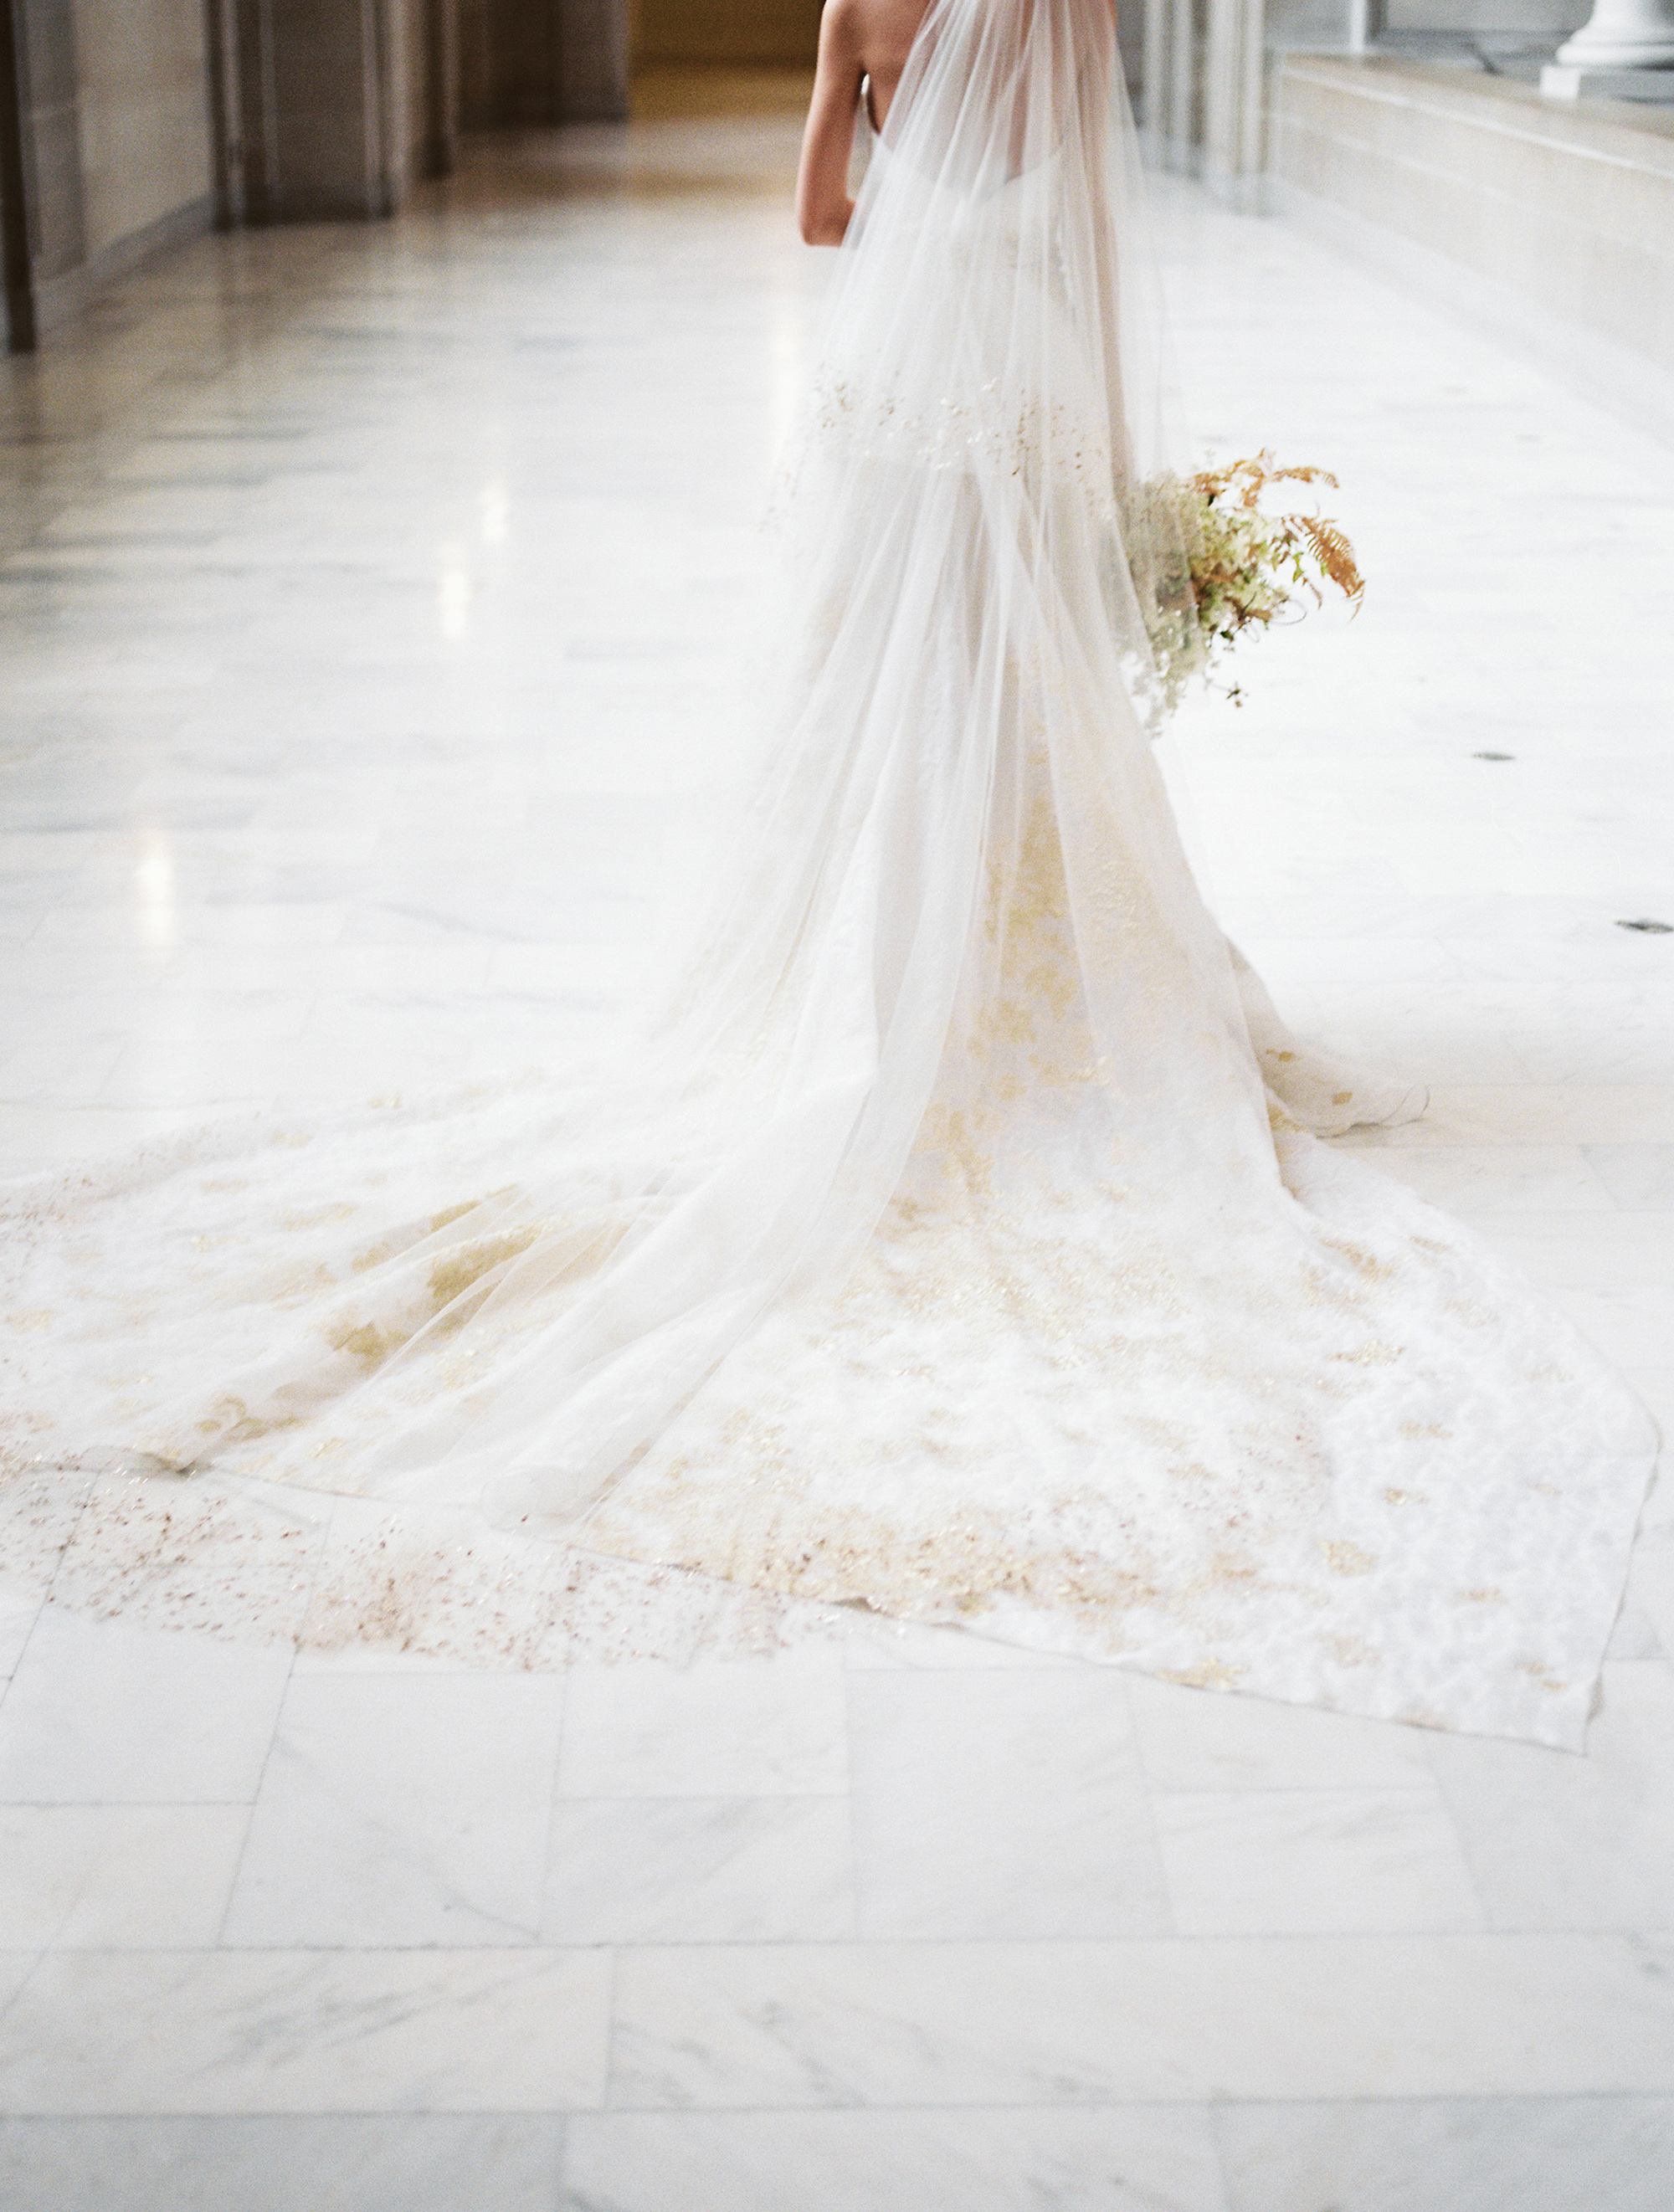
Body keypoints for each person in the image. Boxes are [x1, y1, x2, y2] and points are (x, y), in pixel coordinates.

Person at [2, 0, 1654, 1746]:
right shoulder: (1070, 12)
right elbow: (1096, 238)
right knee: (1022, 715)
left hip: (899, 395)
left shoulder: (858, 9)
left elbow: (812, 218)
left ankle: (864, 974)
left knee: (873, 707)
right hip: (1023, 379)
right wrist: (1105, 472)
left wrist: (918, 239)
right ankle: (1029, 970)